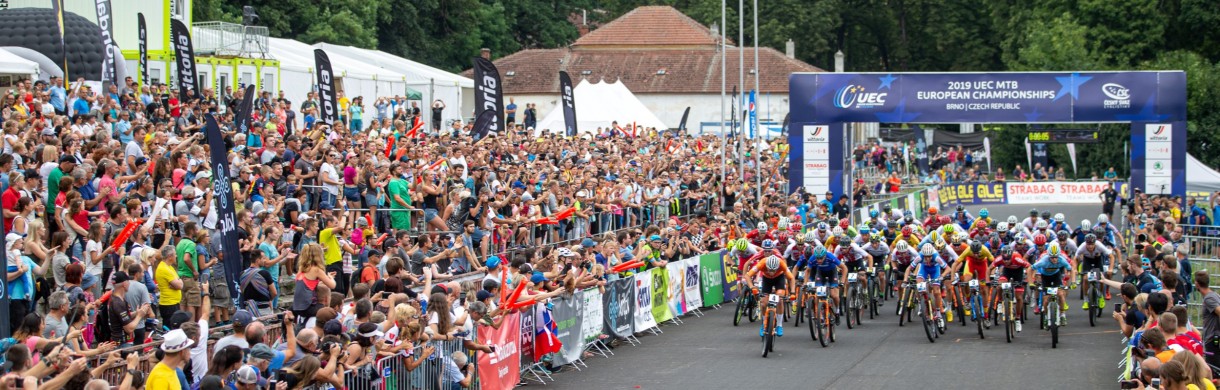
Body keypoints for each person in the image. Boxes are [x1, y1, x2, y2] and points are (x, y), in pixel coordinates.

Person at [744, 254, 796, 337]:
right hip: (766, 280)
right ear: (766, 266)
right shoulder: (762, 263)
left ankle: (779, 325)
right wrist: (752, 287)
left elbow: (792, 278)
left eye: (774, 270)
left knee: (779, 299)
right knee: (764, 303)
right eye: (769, 270)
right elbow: (747, 275)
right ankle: (764, 324)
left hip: (779, 278)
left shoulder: (781, 263)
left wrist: (793, 292)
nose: (771, 272)